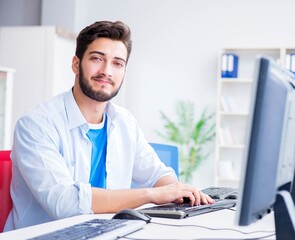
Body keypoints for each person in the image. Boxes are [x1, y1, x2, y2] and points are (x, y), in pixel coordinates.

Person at [4, 20, 213, 231]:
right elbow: (65, 203)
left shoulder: (124, 122)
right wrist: (152, 195)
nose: (106, 71)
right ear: (76, 64)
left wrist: (180, 192)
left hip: (106, 233)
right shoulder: (36, 125)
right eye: (97, 58)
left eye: (117, 63)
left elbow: (156, 174)